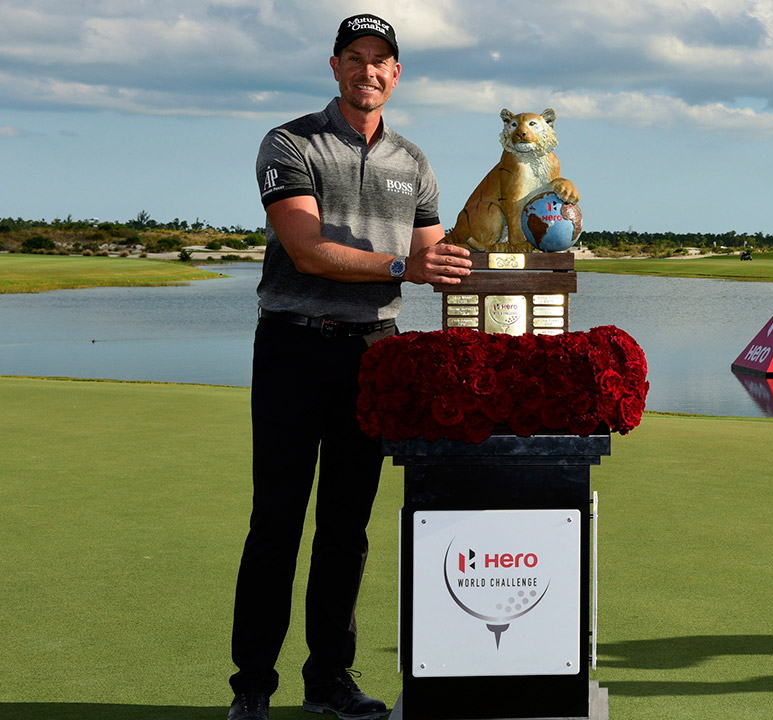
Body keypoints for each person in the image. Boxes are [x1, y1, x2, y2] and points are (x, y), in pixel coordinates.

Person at [228, 14, 471, 720]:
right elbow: (305, 247)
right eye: (357, 58)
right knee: (276, 520)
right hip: (293, 347)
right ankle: (252, 687)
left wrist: (521, 237)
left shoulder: (414, 162)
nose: (370, 70)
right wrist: (403, 264)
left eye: (382, 61)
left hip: (374, 353)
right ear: (335, 67)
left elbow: (442, 259)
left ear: (397, 75)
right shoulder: (289, 143)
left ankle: (328, 679)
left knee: (346, 527)